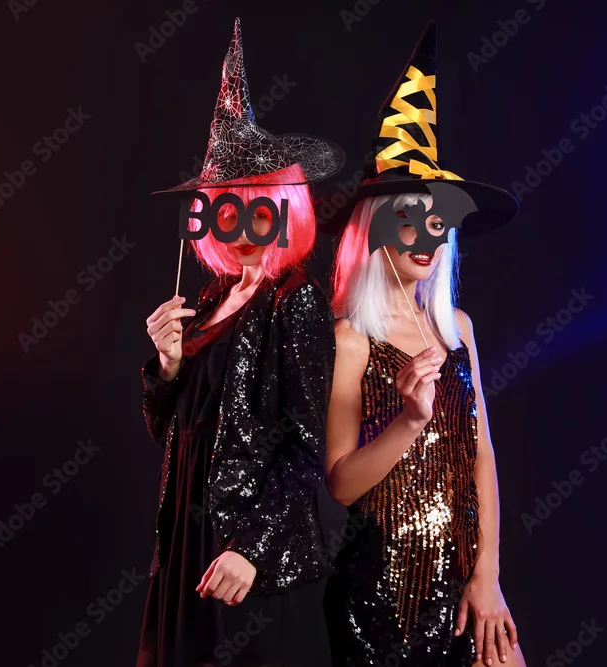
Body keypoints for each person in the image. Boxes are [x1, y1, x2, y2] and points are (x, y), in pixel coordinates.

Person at [321, 23, 528, 667]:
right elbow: (342, 484)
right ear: (375, 228)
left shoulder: (457, 327)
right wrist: (410, 421)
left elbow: (481, 454)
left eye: (438, 223)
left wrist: (487, 574)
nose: (426, 238)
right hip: (380, 591)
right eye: (408, 219)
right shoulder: (352, 338)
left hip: (465, 579)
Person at [137, 18, 341, 667]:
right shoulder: (208, 300)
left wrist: (250, 546)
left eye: (260, 211)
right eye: (228, 211)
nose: (245, 228)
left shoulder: (295, 300)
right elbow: (172, 431)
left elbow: (307, 448)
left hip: (252, 553)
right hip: (188, 540)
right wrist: (168, 366)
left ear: (284, 212)